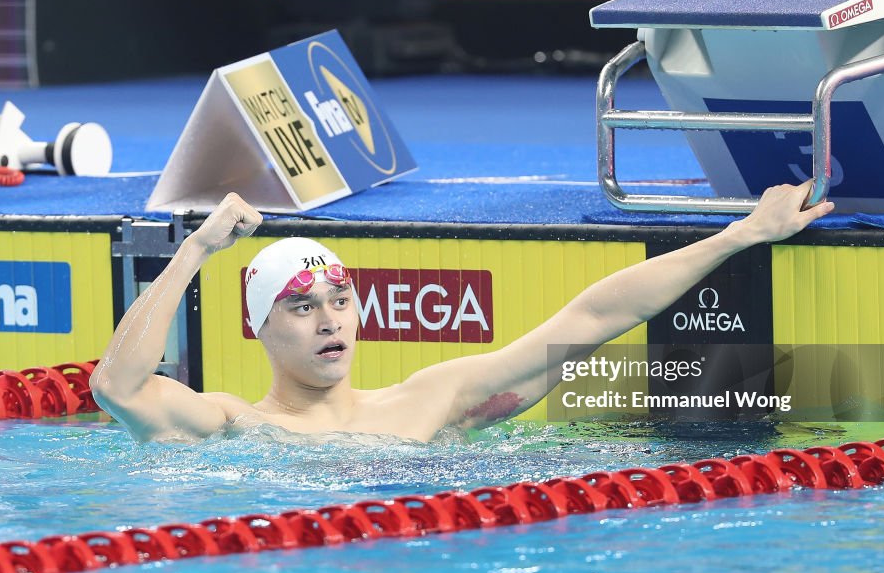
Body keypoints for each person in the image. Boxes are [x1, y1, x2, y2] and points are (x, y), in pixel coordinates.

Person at [90, 184, 834, 443]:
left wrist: (743, 234)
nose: (329, 320)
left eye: (341, 301)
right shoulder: (230, 424)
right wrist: (193, 250)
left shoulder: (431, 399)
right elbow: (118, 388)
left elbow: (587, 320)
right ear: (259, 326)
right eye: (302, 306)